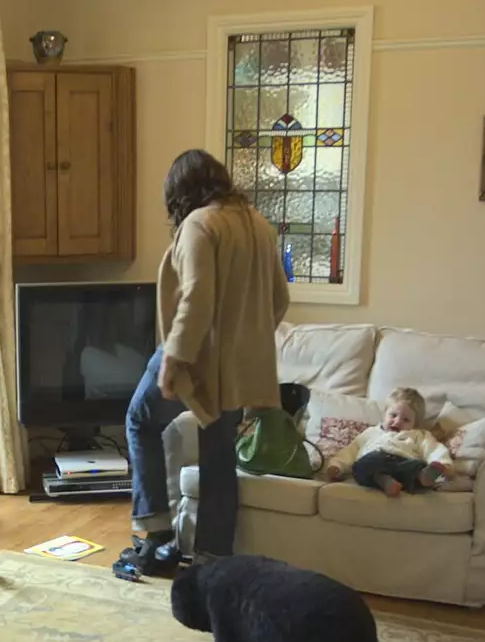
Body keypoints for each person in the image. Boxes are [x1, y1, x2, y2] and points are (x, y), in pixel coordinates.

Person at [119, 149, 291, 575]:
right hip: (236, 368)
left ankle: (157, 537)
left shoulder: (200, 223)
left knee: (139, 421)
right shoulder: (259, 225)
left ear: (181, 191)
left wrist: (173, 359)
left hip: (195, 357)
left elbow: (196, 297)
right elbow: (279, 300)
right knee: (219, 456)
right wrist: (245, 344)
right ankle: (213, 561)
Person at [322, 387, 452, 496]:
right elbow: (351, 450)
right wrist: (336, 465)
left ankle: (423, 477)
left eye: (406, 420)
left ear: (415, 424)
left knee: (415, 466)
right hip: (376, 460)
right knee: (360, 466)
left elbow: (434, 449)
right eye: (393, 415)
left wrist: (444, 463)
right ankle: (384, 481)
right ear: (385, 414)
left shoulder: (419, 435)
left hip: (403, 462)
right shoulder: (371, 432)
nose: (397, 422)